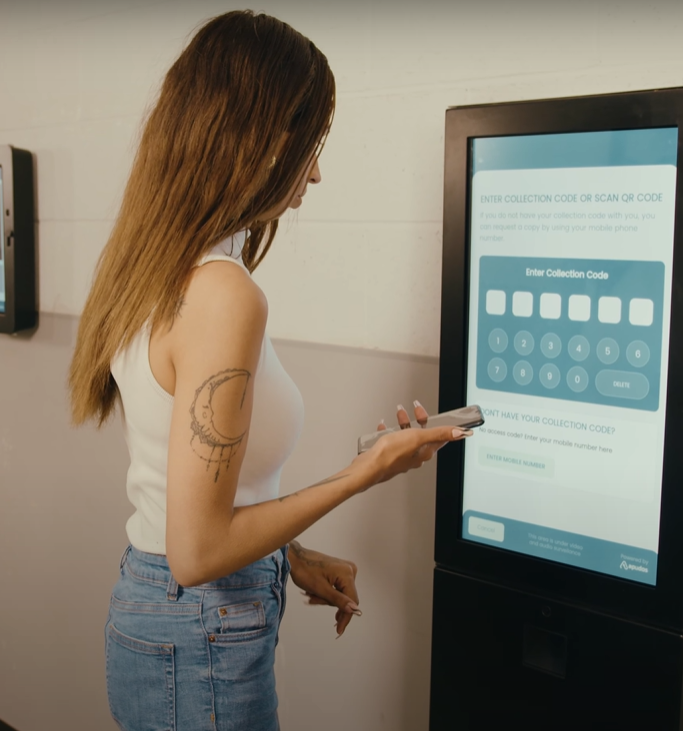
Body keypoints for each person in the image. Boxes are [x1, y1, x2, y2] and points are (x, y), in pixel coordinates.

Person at [67, 10, 471, 731]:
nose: (314, 170)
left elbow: (187, 494)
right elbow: (198, 553)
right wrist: (365, 472)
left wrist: (291, 556)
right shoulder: (223, 293)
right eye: (310, 143)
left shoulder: (155, 264)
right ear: (259, 136)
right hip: (201, 627)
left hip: (164, 613)